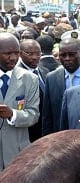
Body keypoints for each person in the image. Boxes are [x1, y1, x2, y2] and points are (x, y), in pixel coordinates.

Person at [0, 32, 39, 170]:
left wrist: (13, 114)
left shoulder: (30, 79)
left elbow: (34, 114)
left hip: (17, 154)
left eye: (17, 53)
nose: (13, 58)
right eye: (8, 53)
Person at [42, 38, 80, 135]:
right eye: (63, 55)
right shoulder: (51, 78)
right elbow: (47, 116)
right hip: (60, 136)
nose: (67, 58)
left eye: (71, 54)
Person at [16, 39, 49, 142]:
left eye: (38, 53)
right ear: (20, 54)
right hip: (27, 132)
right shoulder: (16, 75)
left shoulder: (45, 71)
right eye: (29, 54)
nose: (35, 57)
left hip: (45, 131)